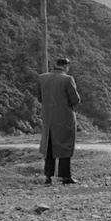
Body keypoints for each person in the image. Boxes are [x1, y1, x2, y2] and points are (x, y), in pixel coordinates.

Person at [37, 57, 81, 185]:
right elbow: (75, 100)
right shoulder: (68, 79)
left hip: (48, 118)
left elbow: (40, 98)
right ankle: (65, 177)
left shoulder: (42, 78)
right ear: (66, 66)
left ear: (55, 65)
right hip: (64, 117)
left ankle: (48, 177)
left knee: (49, 147)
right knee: (65, 146)